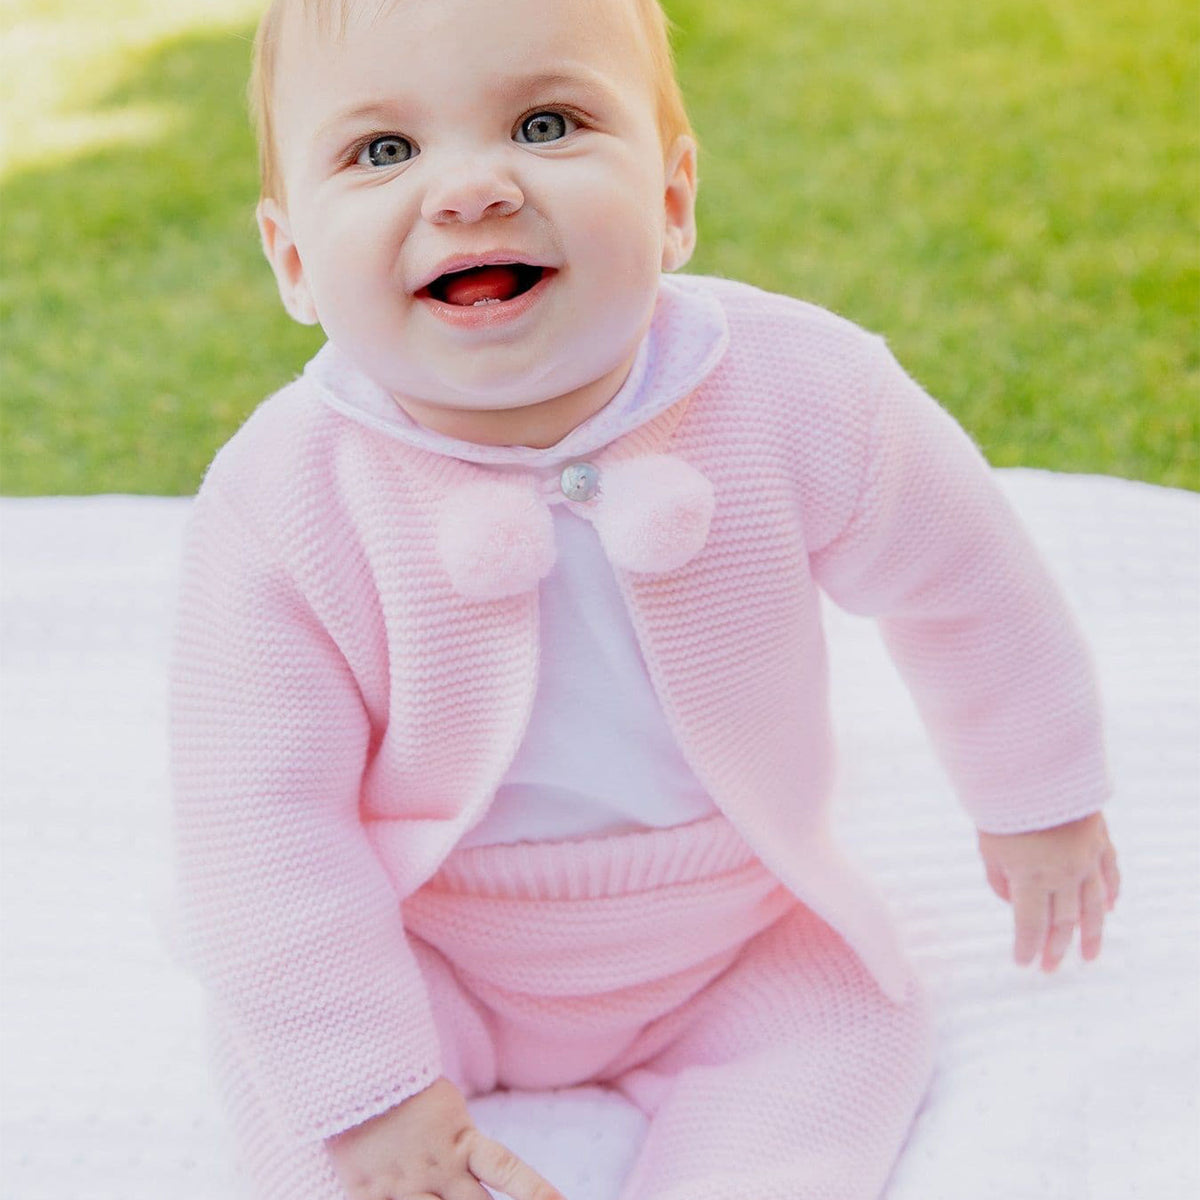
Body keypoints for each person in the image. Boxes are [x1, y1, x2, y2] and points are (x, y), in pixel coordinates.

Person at [168, 0, 1122, 1197]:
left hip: (735, 928)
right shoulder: (285, 497)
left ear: (674, 200)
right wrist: (373, 1096)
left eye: (547, 122)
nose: (471, 191)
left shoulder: (797, 390)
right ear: (294, 259)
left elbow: (969, 581)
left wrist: (1037, 794)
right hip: (426, 938)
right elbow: (259, 826)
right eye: (383, 152)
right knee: (305, 1091)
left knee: (851, 1034)